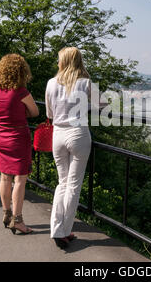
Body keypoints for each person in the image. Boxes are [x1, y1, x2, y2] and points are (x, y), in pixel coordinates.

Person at [45, 47, 94, 249]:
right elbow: (103, 106)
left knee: (62, 183)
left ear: (63, 61)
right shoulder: (86, 83)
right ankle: (63, 231)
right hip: (78, 134)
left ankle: (57, 229)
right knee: (73, 186)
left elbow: (49, 112)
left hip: (58, 134)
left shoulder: (50, 83)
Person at [0, 54, 39, 234]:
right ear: (21, 71)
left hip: (1, 137)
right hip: (18, 137)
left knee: (5, 177)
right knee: (20, 179)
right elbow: (35, 112)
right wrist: (22, 113)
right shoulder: (21, 92)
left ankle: (6, 213)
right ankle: (18, 220)